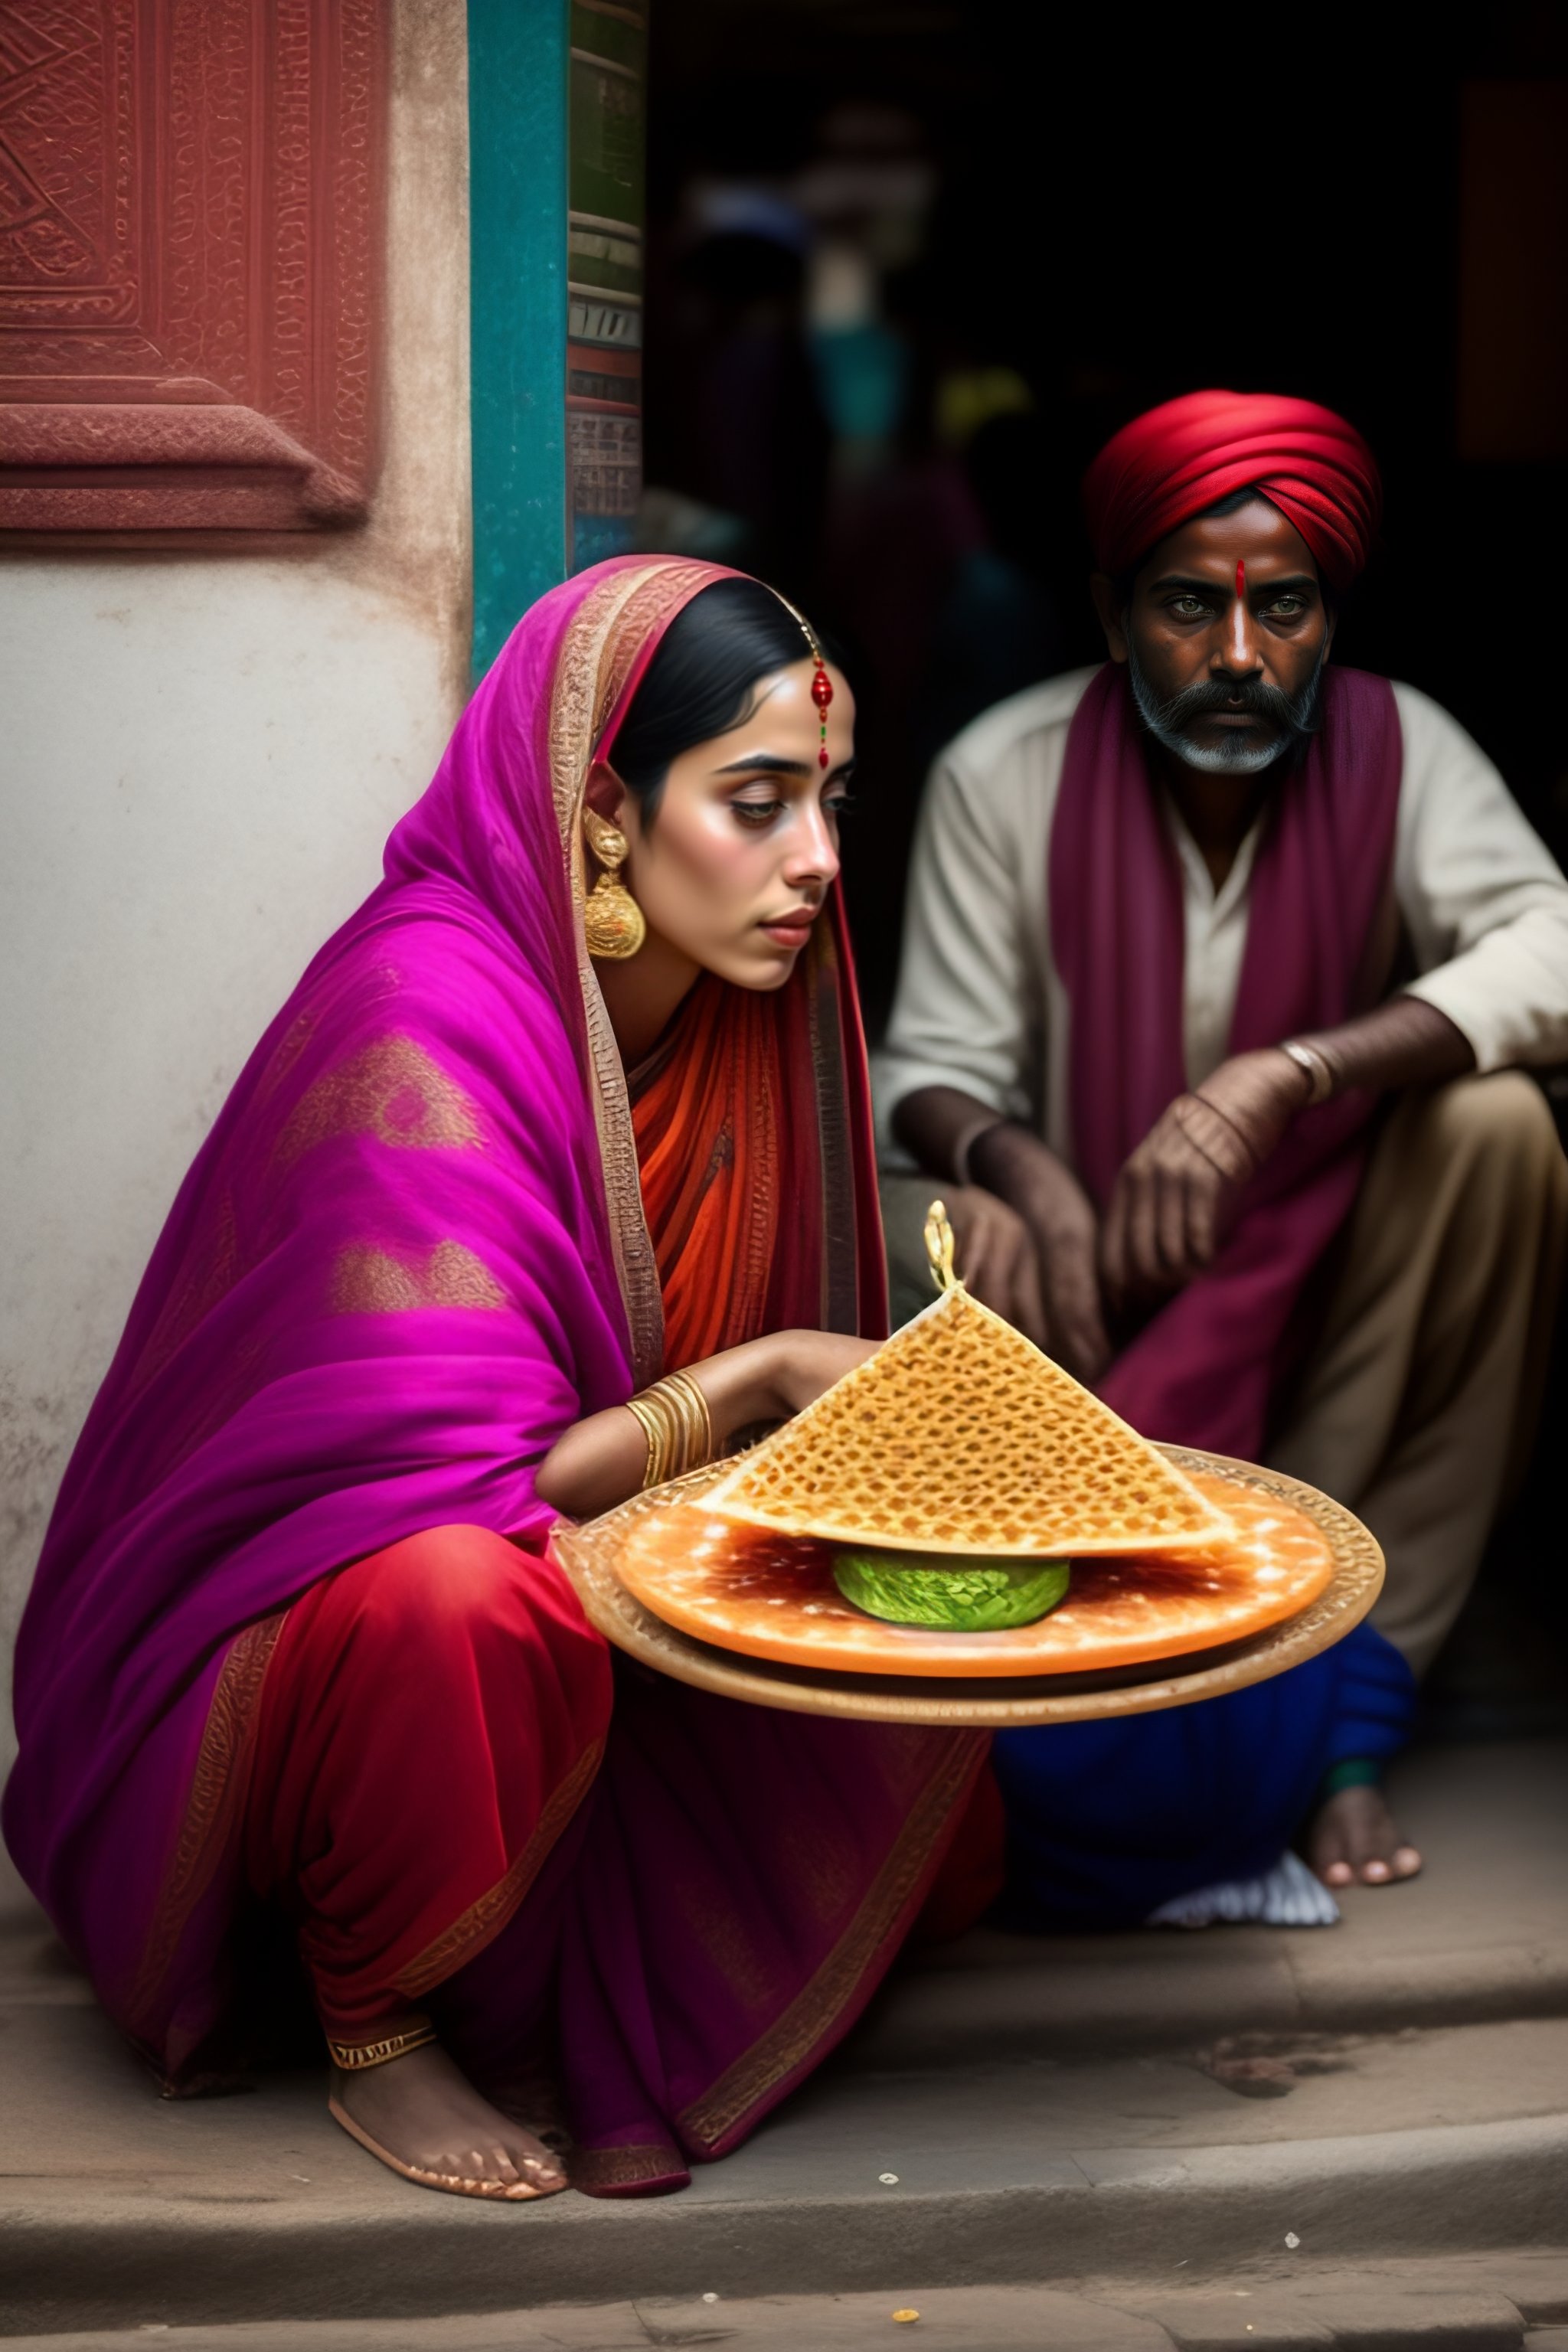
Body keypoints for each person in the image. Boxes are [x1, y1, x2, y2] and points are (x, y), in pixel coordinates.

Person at [4, 561, 992, 2203]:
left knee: (977, 1710)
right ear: (606, 809)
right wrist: (755, 1378)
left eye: (829, 800)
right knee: (464, 1599)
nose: (817, 862)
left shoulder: (739, 997)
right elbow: (496, 1492)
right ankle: (375, 2017)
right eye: (755, 805)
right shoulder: (425, 1014)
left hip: (616, 1608)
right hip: (317, 1656)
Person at [877, 390, 1568, 1908]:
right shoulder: (1006, 768)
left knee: (1502, 1130)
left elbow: (1554, 949)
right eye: (1190, 607)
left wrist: (1292, 1072)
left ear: (1330, 618)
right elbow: (922, 1066)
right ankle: (976, 1657)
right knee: (909, 1215)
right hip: (1071, 1302)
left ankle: (1346, 1716)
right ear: (1111, 614)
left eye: (1285, 609)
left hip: (1330, 1296)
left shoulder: (1403, 749)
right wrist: (1028, 1176)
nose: (1240, 658)